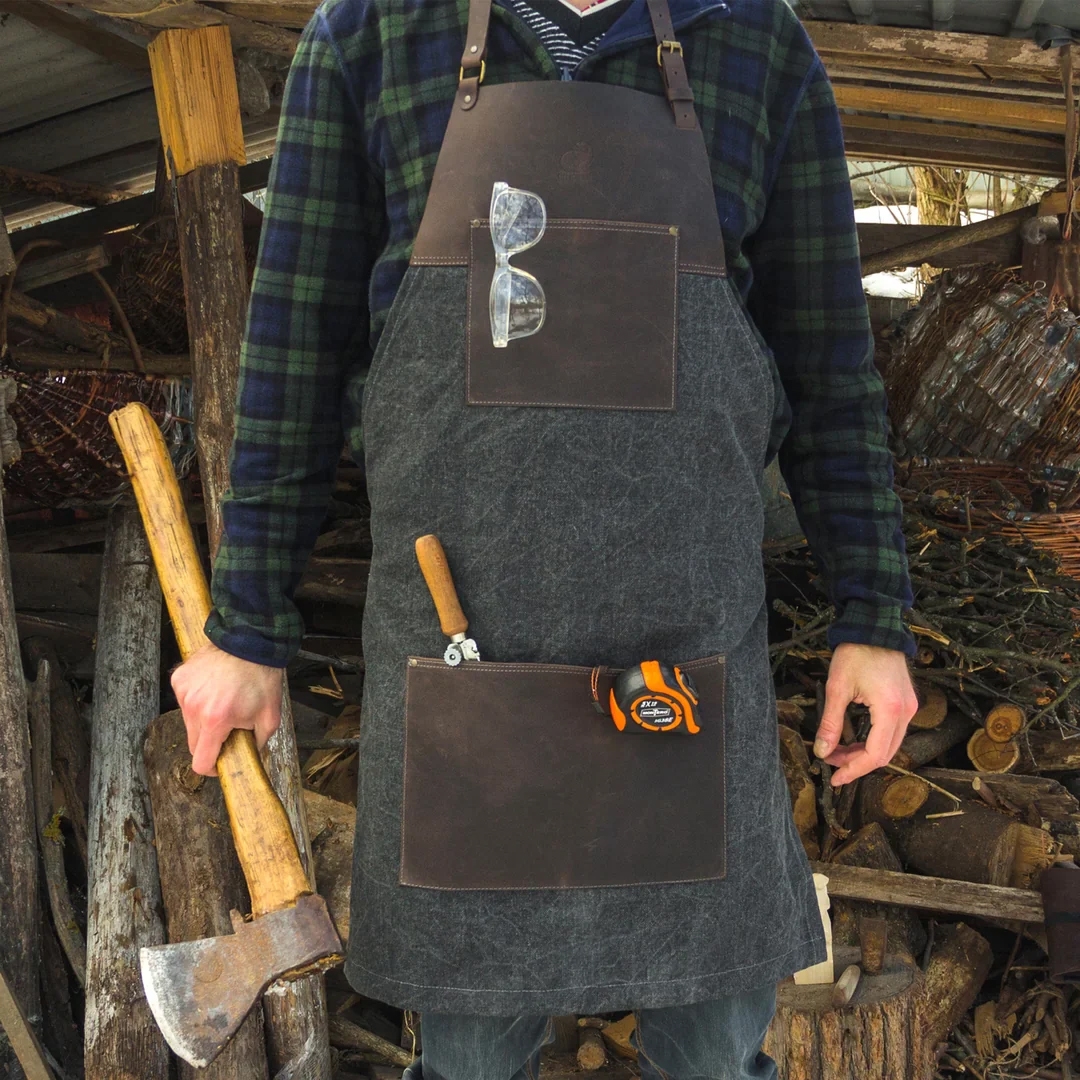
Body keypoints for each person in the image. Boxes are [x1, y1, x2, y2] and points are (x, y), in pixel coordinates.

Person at [171, 0, 919, 1076]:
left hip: (686, 672)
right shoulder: (372, 33)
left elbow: (832, 370)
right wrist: (247, 623)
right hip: (465, 669)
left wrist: (874, 616)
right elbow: (291, 354)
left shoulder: (757, 40)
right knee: (470, 1057)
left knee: (715, 1052)